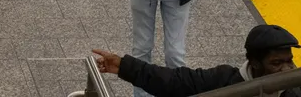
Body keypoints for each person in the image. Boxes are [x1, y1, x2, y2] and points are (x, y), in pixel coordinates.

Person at [92, 23, 299, 97]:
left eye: (289, 61)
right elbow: (175, 81)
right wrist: (124, 66)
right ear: (254, 63)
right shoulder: (224, 80)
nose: (286, 69)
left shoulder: (294, 90)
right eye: (276, 63)